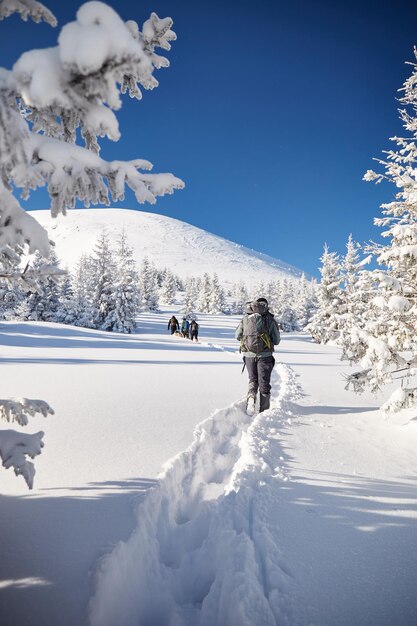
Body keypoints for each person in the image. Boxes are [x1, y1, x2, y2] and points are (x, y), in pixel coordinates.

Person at [235, 297, 280, 415]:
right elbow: (276, 340)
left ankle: (251, 399)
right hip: (265, 355)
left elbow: (237, 335)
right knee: (264, 382)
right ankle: (263, 413)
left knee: (252, 379)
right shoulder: (269, 319)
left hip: (248, 355)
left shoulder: (246, 318)